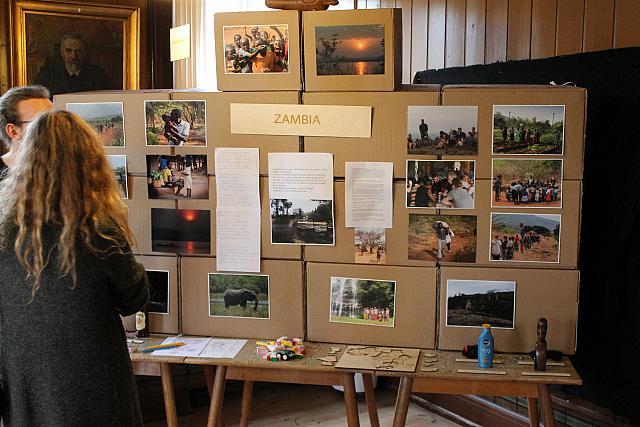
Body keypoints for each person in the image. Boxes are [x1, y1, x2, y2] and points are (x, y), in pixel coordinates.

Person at [0, 110, 148, 426]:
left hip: (25, 378)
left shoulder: (4, 229)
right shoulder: (98, 227)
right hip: (93, 380)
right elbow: (133, 297)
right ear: (89, 160)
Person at [34, 32, 112, 96]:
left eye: (78, 51)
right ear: (61, 52)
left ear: (83, 52)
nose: (74, 56)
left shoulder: (97, 75)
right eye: (68, 51)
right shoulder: (48, 74)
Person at [0, 85, 53, 172]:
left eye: (54, 120)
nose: (53, 127)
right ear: (13, 132)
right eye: (42, 122)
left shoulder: (67, 170)